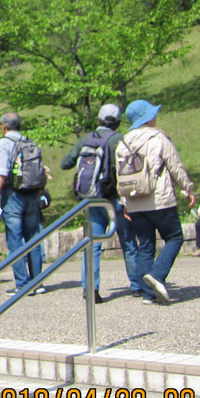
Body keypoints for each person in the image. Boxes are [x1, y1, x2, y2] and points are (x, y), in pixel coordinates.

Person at [120, 100, 196, 305]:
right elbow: (175, 167)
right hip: (159, 199)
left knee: (145, 245)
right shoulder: (158, 138)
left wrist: (124, 202)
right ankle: (158, 275)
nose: (156, 116)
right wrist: (188, 189)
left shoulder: (123, 143)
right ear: (146, 117)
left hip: (135, 202)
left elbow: (120, 175)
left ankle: (148, 294)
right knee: (175, 237)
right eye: (153, 114)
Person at [59, 103, 135, 303]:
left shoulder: (85, 139)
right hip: (114, 199)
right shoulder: (119, 140)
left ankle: (90, 287)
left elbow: (65, 163)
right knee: (127, 240)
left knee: (92, 245)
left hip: (91, 200)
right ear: (117, 122)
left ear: (99, 120)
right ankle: (137, 285)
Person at [0, 112, 46, 296]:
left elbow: (3, 172)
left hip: (13, 196)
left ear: (3, 127)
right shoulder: (30, 142)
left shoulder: (4, 143)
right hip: (31, 195)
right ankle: (38, 282)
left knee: (15, 240)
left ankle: (22, 284)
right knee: (34, 238)